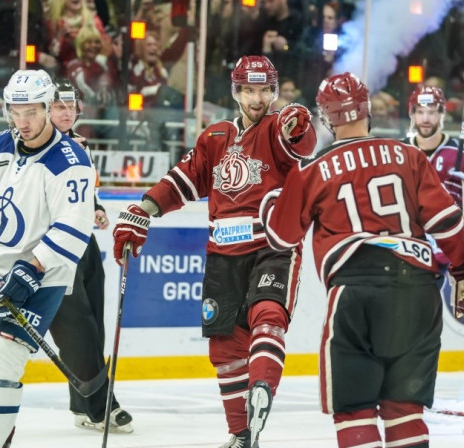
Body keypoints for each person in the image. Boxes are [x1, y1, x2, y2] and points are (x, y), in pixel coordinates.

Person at [258, 72, 464, 448]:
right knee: (404, 409)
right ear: (368, 109)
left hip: (357, 289)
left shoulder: (311, 170)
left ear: (326, 117)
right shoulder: (410, 155)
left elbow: (281, 236)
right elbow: (447, 223)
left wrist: (274, 191)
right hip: (418, 289)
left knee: (354, 410)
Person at [111, 55, 317, 448]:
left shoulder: (277, 128)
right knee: (224, 347)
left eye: (265, 90)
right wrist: (143, 210)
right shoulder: (216, 137)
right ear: (236, 91)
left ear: (274, 92)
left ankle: (262, 388)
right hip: (223, 251)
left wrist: (298, 122)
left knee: (267, 314)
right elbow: (183, 180)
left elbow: (301, 141)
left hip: (272, 244)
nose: (258, 99)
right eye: (250, 90)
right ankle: (242, 434)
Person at [0, 69, 95, 448]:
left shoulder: (70, 159)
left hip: (42, 277)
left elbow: (74, 225)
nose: (22, 121)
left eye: (31, 112)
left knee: (2, 353)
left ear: (47, 108)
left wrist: (34, 265)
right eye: (15, 111)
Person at [45, 79, 133, 434]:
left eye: (71, 106)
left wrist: (96, 209)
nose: (66, 113)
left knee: (93, 324)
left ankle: (80, 404)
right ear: (44, 109)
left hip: (85, 244)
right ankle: (101, 407)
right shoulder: (38, 147)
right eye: (58, 106)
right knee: (76, 326)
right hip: (54, 248)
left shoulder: (81, 146)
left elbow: (85, 193)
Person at [402, 84, 464, 269]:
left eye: (432, 112)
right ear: (412, 114)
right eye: (420, 112)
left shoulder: (461, 155)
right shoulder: (399, 152)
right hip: (407, 251)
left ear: (442, 115)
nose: (425, 119)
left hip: (446, 254)